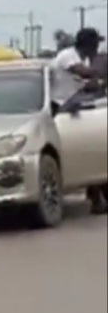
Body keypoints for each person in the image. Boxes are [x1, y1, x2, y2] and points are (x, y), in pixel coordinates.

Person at [50, 27, 107, 214]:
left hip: (74, 106)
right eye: (96, 43)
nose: (98, 47)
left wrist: (95, 83)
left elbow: (87, 83)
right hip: (58, 107)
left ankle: (96, 197)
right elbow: (83, 73)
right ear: (89, 44)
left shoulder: (84, 58)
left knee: (92, 146)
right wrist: (99, 74)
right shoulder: (68, 55)